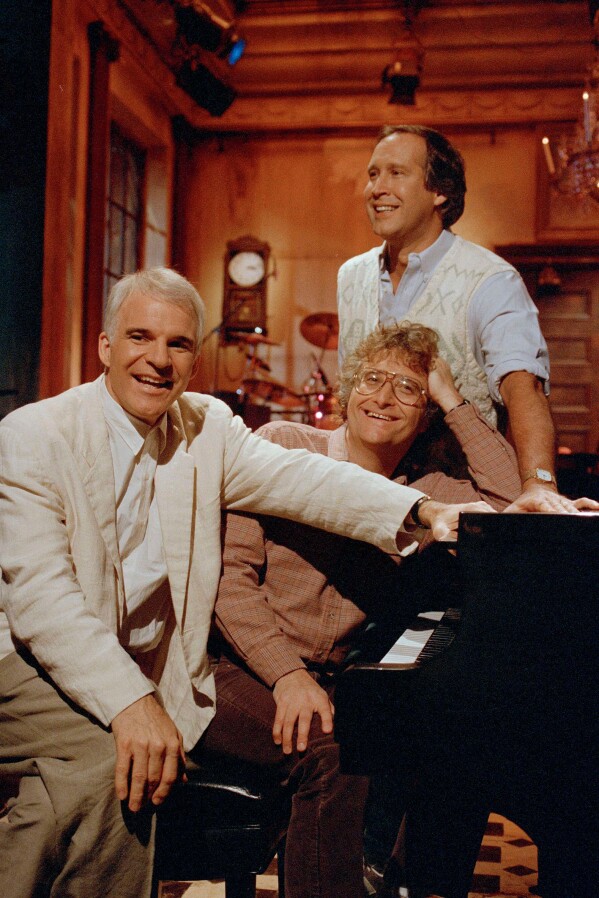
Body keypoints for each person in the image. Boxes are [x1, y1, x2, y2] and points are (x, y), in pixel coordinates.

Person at [0, 270, 484, 898]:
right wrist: (129, 702)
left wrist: (420, 512)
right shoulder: (34, 435)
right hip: (33, 665)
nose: (157, 359)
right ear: (104, 347)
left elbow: (307, 479)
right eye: (139, 337)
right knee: (107, 767)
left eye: (177, 344)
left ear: (194, 360)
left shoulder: (207, 426)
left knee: (334, 748)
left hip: (162, 670)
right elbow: (45, 605)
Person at [202, 322, 522, 898]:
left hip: (334, 679)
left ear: (425, 415)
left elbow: (504, 501)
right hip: (226, 670)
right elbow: (231, 580)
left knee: (452, 748)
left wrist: (453, 399)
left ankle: (394, 883)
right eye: (372, 380)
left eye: (407, 388)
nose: (383, 397)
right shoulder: (282, 445)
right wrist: (287, 675)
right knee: (334, 754)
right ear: (348, 391)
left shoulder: (424, 490)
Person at [337, 124, 575, 514]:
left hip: (459, 504)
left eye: (397, 173)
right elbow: (348, 393)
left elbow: (523, 389)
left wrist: (538, 483)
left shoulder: (491, 280)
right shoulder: (351, 276)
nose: (377, 188)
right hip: (366, 499)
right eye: (373, 174)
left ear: (440, 191)